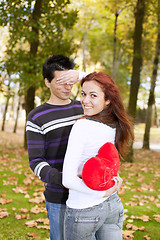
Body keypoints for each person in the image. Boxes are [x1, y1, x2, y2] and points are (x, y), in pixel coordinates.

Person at [62, 72, 134, 240]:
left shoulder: (82, 126)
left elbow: (67, 180)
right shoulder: (114, 125)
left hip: (84, 210)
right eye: (83, 94)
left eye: (93, 95)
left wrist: (99, 193)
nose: (85, 100)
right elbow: (109, 163)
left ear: (107, 100)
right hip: (112, 205)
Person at [26, 54, 85, 240]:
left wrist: (83, 75)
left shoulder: (85, 107)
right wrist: (64, 179)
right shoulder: (36, 117)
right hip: (59, 196)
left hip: (88, 193)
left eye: (71, 81)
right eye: (61, 81)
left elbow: (109, 93)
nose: (68, 87)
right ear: (47, 82)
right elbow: (36, 161)